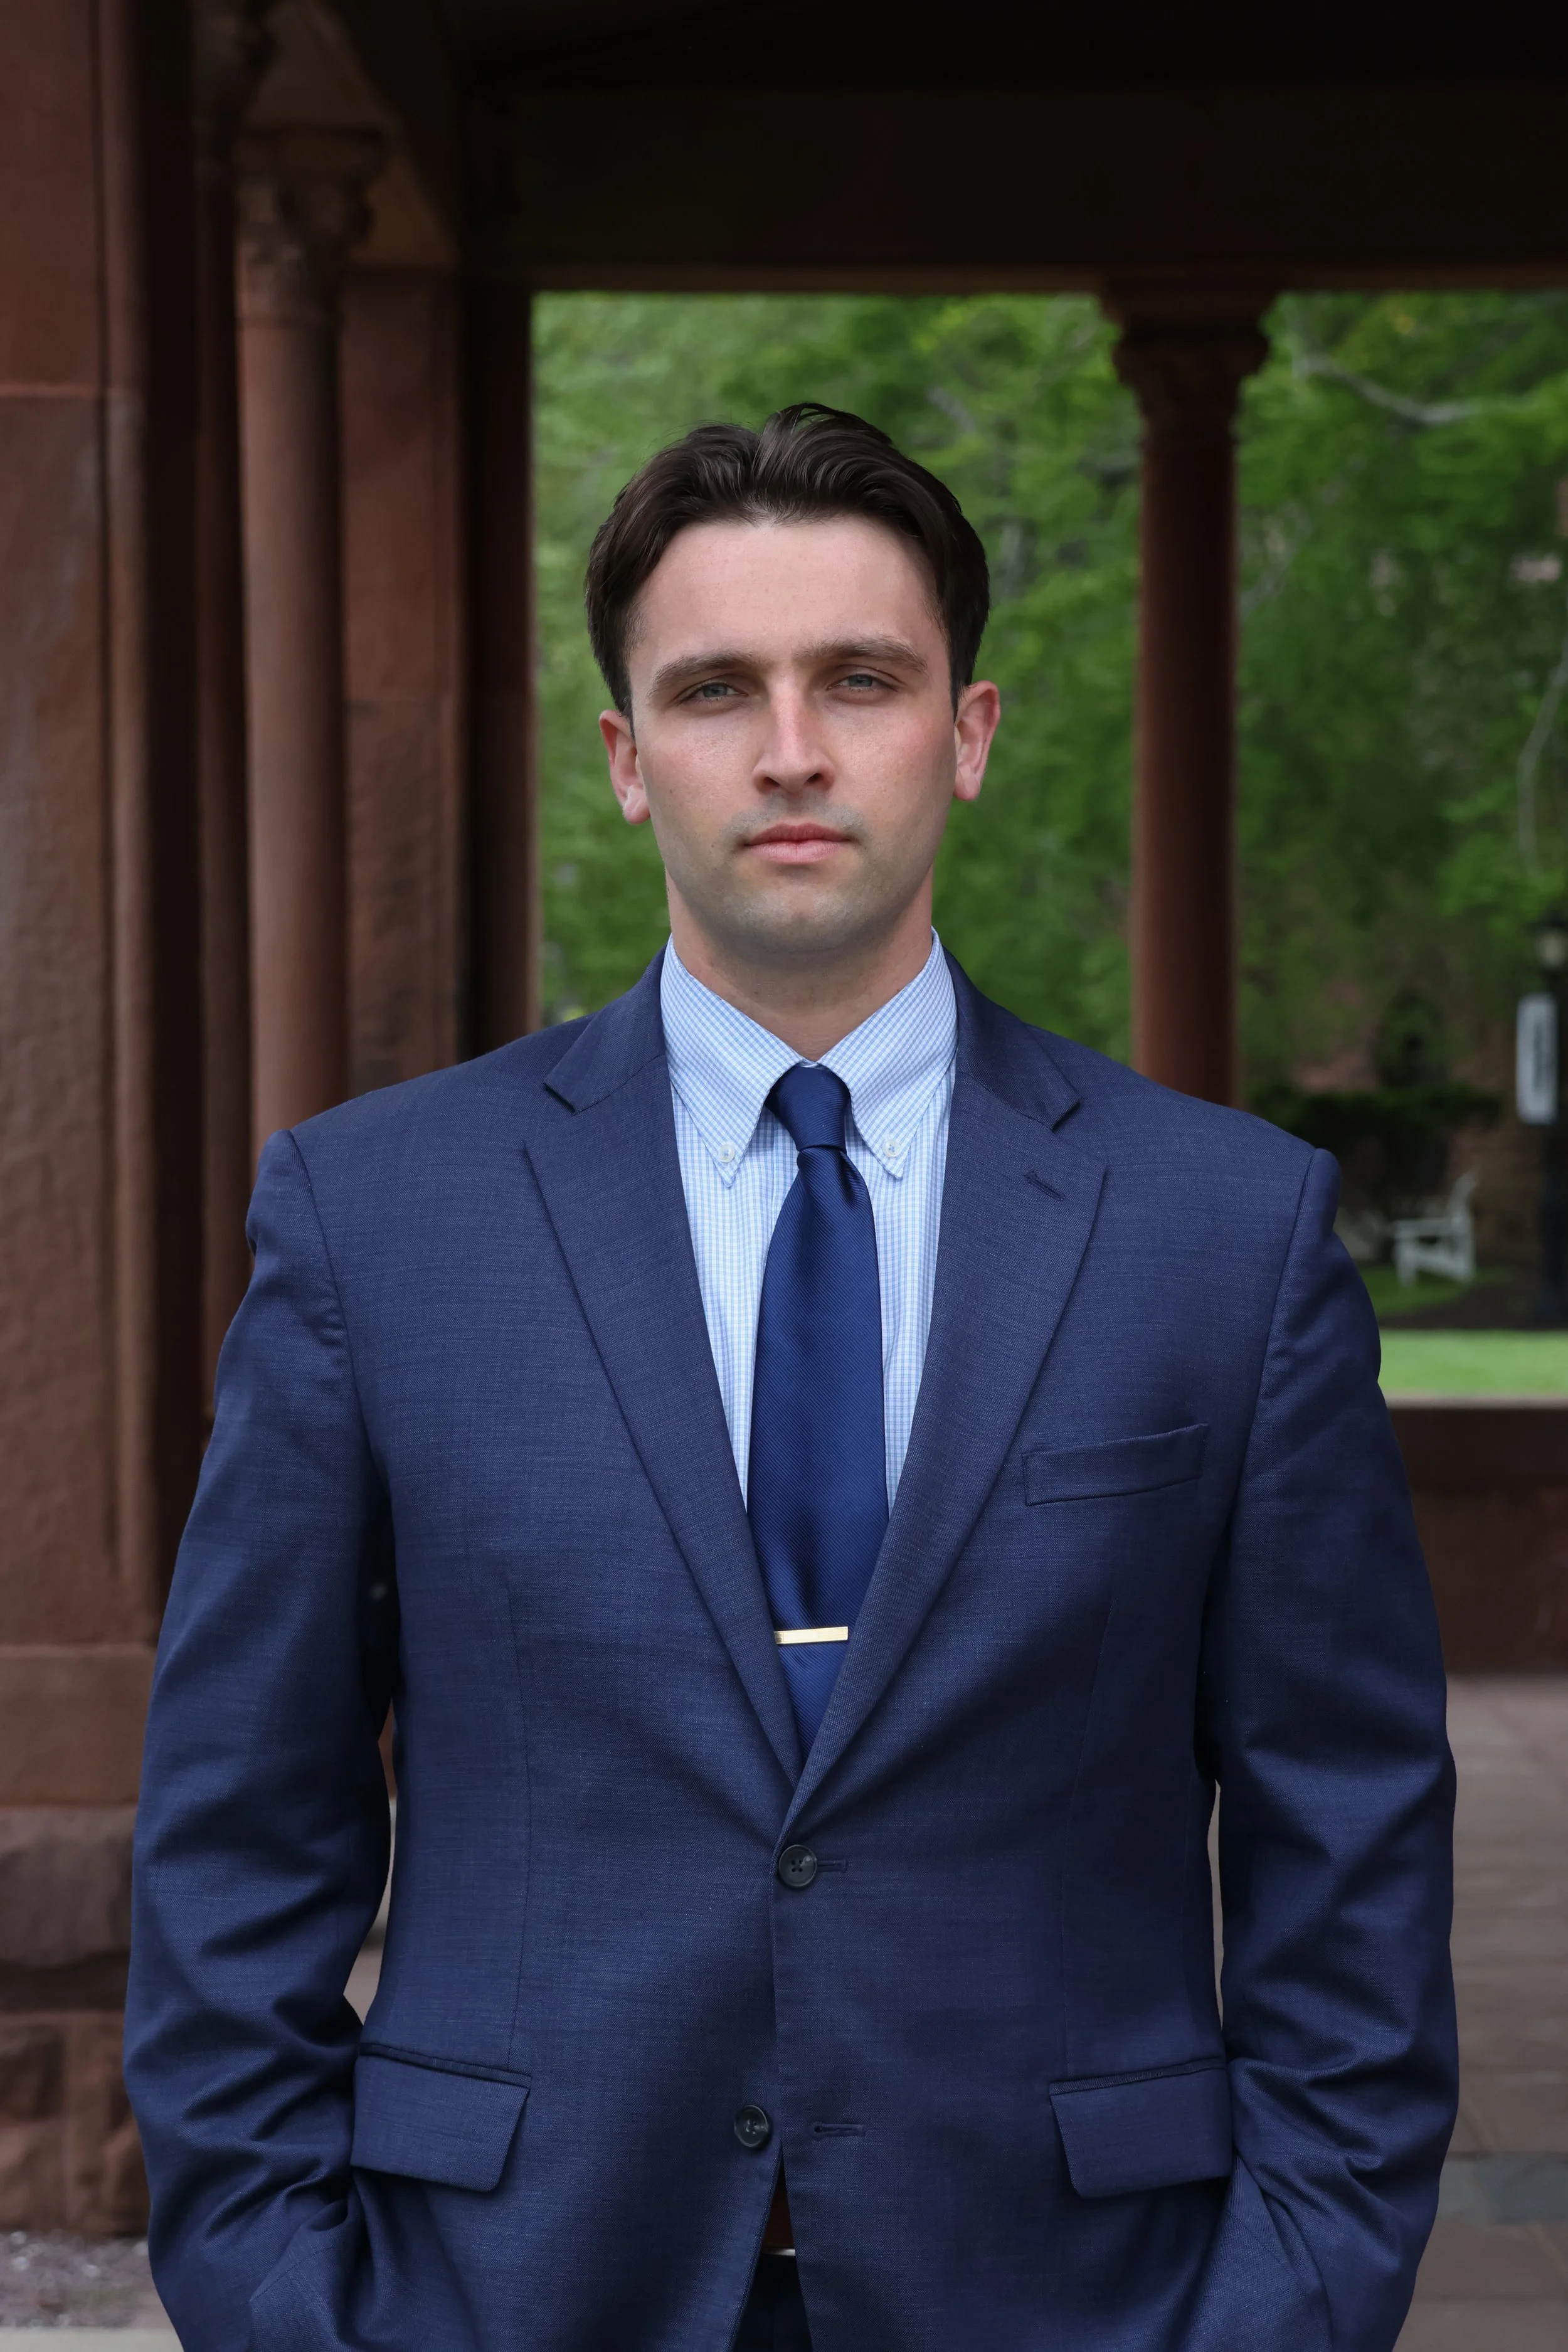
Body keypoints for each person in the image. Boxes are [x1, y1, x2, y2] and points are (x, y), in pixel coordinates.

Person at [126, 403, 1456, 2352]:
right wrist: (285, 2293)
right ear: (624, 758)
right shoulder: (374, 1216)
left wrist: (1280, 2305)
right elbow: (239, 1827)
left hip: (1077, 2296)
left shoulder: (1224, 1232)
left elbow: (1348, 1844)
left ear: (970, 731)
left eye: (860, 677)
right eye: (713, 688)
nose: (791, 748)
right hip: (504, 2291)